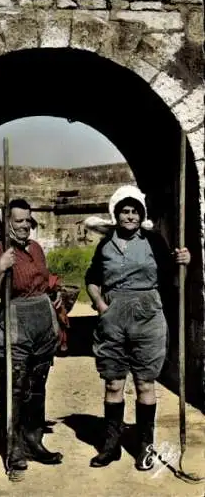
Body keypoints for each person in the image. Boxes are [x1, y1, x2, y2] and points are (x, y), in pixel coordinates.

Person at [84, 185, 191, 471]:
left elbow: (172, 272)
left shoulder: (154, 241)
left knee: (145, 382)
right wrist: (100, 305)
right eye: (124, 211)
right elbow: (92, 278)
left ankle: (145, 446)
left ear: (141, 215)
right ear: (116, 214)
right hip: (114, 317)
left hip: (148, 315)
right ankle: (110, 446)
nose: (129, 216)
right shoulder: (105, 245)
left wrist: (185, 261)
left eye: (134, 211)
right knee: (113, 382)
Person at [0, 198, 63, 472]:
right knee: (14, 387)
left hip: (42, 323)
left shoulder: (37, 248)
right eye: (19, 221)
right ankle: (13, 445)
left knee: (37, 387)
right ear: (6, 223)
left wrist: (56, 295)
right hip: (16, 323)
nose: (25, 225)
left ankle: (34, 440)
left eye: (28, 220)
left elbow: (43, 281)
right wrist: (0, 268)